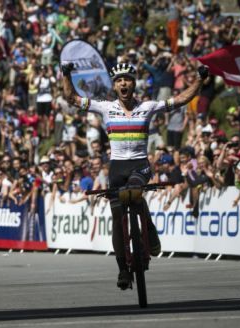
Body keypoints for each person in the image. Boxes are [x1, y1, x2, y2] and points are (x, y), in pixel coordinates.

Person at [61, 61, 207, 290]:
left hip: (140, 164)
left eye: (127, 79)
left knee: (134, 191)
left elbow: (180, 100)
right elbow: (72, 99)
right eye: (119, 80)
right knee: (118, 221)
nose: (123, 83)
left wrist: (199, 80)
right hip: (117, 167)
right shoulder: (106, 108)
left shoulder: (147, 106)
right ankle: (122, 270)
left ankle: (148, 229)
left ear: (133, 83)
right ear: (115, 86)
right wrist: (66, 75)